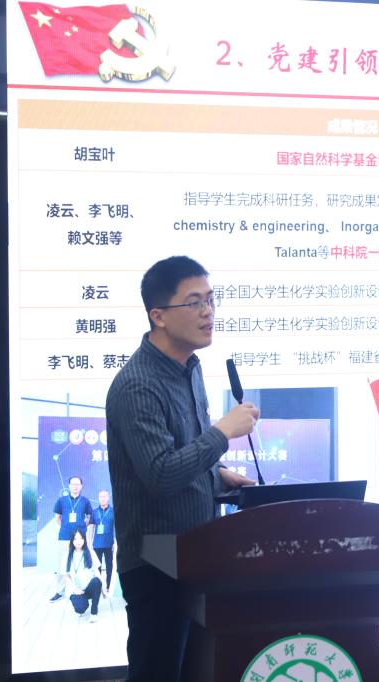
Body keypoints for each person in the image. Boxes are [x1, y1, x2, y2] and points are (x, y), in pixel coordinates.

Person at [106, 256, 259, 682]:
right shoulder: (138, 384)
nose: (208, 312)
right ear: (158, 316)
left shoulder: (190, 370)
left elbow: (182, 453)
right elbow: (160, 475)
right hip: (157, 566)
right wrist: (223, 432)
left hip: (196, 558)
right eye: (194, 302)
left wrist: (216, 474)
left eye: (211, 300)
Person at [49, 476, 95, 602]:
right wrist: (66, 527)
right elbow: (57, 518)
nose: (75, 486)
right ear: (69, 486)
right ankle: (60, 592)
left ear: (81, 486)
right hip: (64, 537)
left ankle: (84, 588)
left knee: (83, 562)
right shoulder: (61, 500)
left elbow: (89, 517)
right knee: (61, 564)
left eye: (78, 484)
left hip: (80, 538)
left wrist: (81, 527)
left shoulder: (85, 501)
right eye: (73, 484)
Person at [61, 527, 103, 623]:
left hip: (88, 587)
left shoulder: (90, 553)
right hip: (75, 590)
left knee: (97, 581)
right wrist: (75, 589)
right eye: (75, 539)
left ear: (84, 539)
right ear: (72, 541)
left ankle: (94, 614)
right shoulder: (66, 555)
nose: (78, 541)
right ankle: (82, 605)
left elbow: (97, 572)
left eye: (81, 538)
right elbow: (65, 576)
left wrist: (104, 589)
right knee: (80, 608)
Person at [90, 489, 116, 597]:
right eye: (101, 496)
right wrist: (90, 541)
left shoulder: (113, 511)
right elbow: (91, 527)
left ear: (108, 497)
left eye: (105, 496)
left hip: (109, 544)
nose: (103, 498)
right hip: (97, 544)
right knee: (97, 568)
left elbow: (117, 527)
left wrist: (116, 541)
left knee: (110, 567)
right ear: (98, 498)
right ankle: (99, 588)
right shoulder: (94, 512)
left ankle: (109, 587)